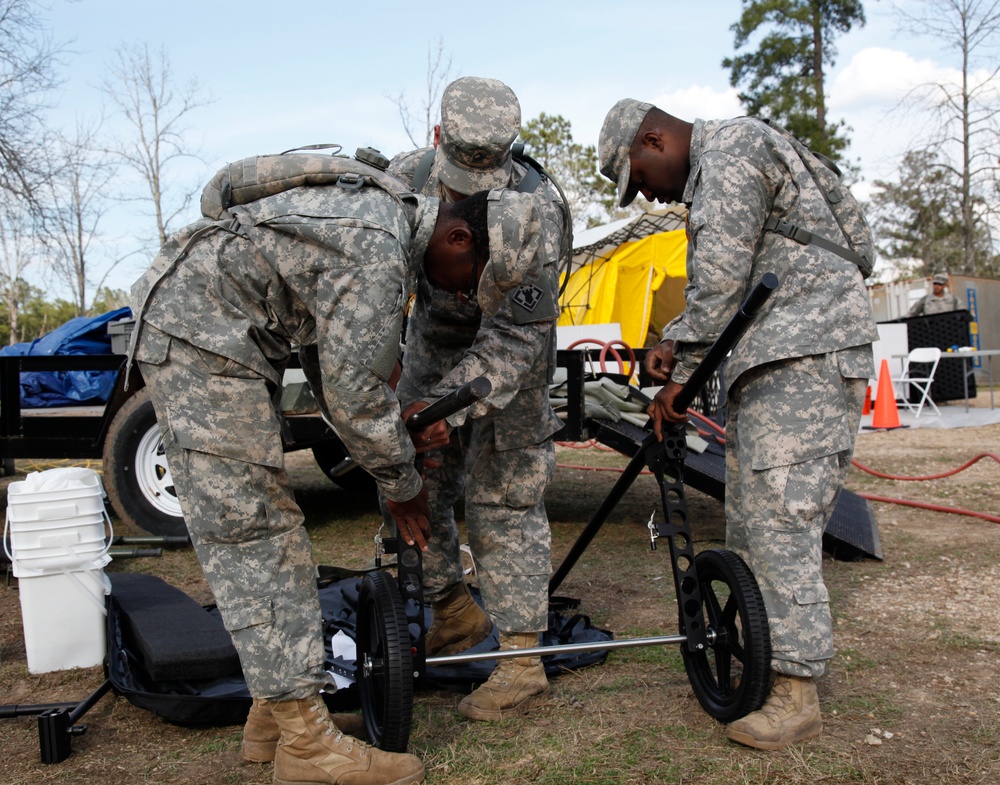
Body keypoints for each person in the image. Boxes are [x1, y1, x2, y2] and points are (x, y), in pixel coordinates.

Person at [129, 157, 542, 785]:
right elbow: (352, 394)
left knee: (264, 526)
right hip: (202, 333)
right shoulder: (378, 250)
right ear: (458, 237)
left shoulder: (382, 223)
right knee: (256, 528)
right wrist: (403, 486)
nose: (462, 296)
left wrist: (388, 414)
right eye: (469, 281)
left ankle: (274, 719)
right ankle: (305, 746)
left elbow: (333, 362)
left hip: (214, 326)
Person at [598, 100, 878, 750]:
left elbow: (720, 278)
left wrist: (680, 373)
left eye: (640, 178)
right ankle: (763, 665)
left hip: (805, 352)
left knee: (779, 519)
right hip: (773, 354)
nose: (649, 195)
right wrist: (679, 347)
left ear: (654, 137)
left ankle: (795, 689)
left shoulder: (730, 150)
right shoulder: (732, 158)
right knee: (750, 520)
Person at [387, 76, 568, 721]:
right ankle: (452, 611)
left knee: (506, 493)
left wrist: (448, 410)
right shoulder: (401, 185)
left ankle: (521, 661)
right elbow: (376, 297)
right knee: (410, 480)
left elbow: (518, 338)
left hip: (509, 353)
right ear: (438, 139)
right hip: (433, 339)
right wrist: (392, 388)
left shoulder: (541, 209)